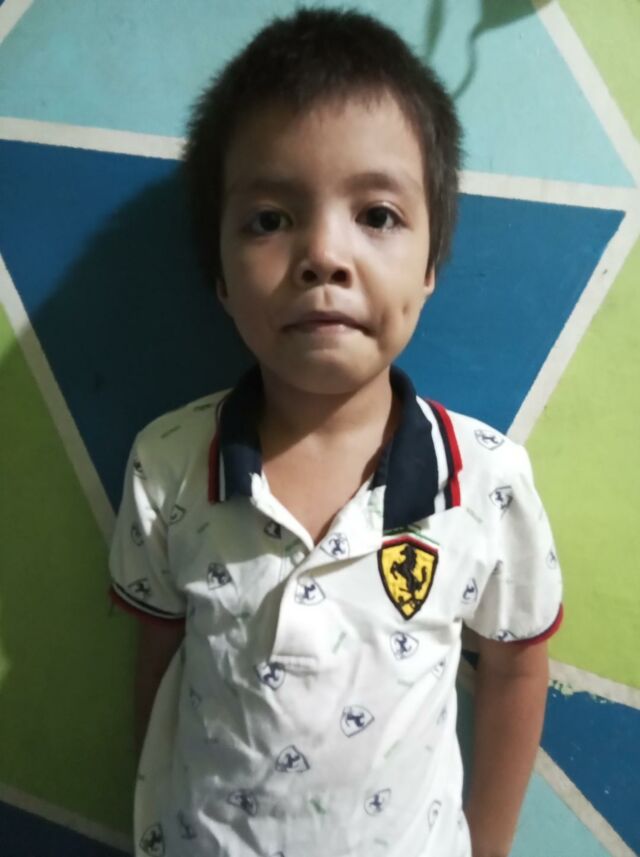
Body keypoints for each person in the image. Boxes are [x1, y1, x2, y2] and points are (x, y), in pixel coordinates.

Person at [109, 8, 563, 857]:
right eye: (269, 219)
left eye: (378, 215)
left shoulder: (484, 479)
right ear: (218, 276)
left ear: (431, 266)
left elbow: (515, 668)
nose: (324, 254)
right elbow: (157, 663)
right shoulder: (167, 464)